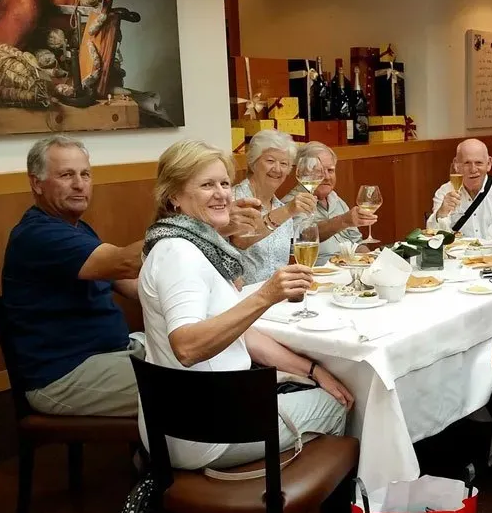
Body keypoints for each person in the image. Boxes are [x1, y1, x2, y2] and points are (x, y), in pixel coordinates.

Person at [139, 139, 354, 470]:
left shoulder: (194, 244)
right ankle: (294, 504)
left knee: (317, 382)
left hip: (191, 416)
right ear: (174, 196)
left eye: (224, 183)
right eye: (207, 185)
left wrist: (312, 370)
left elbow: (243, 336)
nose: (222, 194)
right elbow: (187, 346)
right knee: (342, 402)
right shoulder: (179, 254)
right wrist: (264, 295)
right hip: (209, 431)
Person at [1, 135, 144, 417]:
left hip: (112, 354)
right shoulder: (38, 235)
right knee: (186, 388)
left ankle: (157, 457)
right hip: (63, 376)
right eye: (67, 175)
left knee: (214, 361)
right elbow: (126, 263)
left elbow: (134, 286)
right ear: (36, 183)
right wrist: (199, 229)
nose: (80, 184)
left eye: (85, 174)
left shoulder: (77, 228)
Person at [230, 130, 316, 285]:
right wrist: (288, 211)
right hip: (244, 299)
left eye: (284, 164)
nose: (277, 169)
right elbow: (241, 241)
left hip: (279, 298)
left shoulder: (282, 208)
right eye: (270, 161)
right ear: (253, 163)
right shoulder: (234, 200)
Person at [283, 142, 376, 266]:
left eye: (330, 170)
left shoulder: (337, 200)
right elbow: (303, 237)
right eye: (319, 170)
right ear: (303, 172)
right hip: (319, 275)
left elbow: (357, 243)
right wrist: (343, 221)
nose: (326, 177)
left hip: (348, 270)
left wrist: (370, 261)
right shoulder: (291, 204)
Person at [427, 138, 492, 239]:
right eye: (467, 163)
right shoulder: (445, 192)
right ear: (456, 165)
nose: (473, 169)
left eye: (479, 163)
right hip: (457, 253)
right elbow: (433, 235)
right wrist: (442, 212)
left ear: (489, 163)